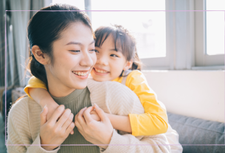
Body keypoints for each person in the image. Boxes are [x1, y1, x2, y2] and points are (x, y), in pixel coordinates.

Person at [7, 4, 182, 153]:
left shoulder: (116, 94)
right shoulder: (21, 114)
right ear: (40, 54)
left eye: (91, 49)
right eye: (75, 50)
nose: (90, 61)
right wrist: (44, 146)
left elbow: (163, 145)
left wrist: (110, 141)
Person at [25, 25, 168, 137]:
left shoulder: (131, 78)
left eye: (113, 54)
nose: (101, 61)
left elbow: (160, 122)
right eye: (95, 50)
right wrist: (48, 103)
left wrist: (103, 118)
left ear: (127, 64)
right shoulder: (84, 74)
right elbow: (37, 80)